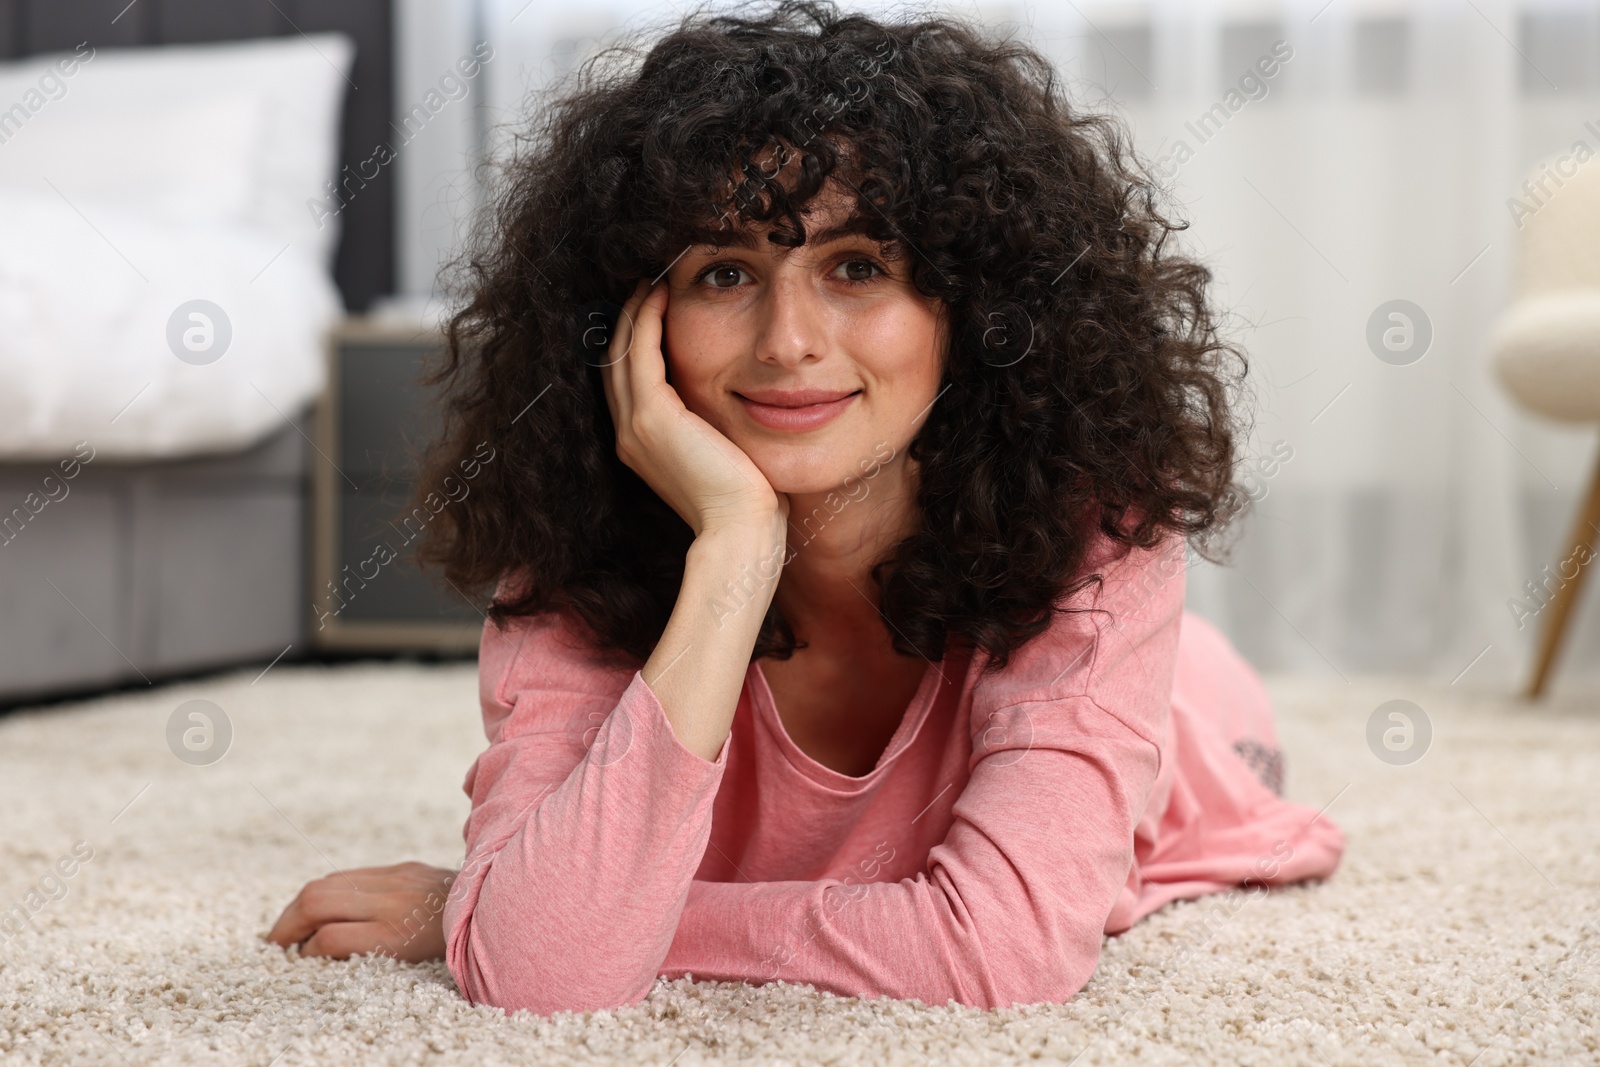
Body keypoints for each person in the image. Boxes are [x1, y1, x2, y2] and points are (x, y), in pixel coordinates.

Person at [265, 0, 1344, 1014]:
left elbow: (1002, 949)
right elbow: (547, 972)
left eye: (858, 265)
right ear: (633, 326)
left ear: (971, 311)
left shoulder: (1096, 538)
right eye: (725, 274)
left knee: (1191, 705)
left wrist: (483, 907)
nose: (788, 342)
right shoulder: (572, 550)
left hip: (1198, 723)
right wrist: (734, 546)